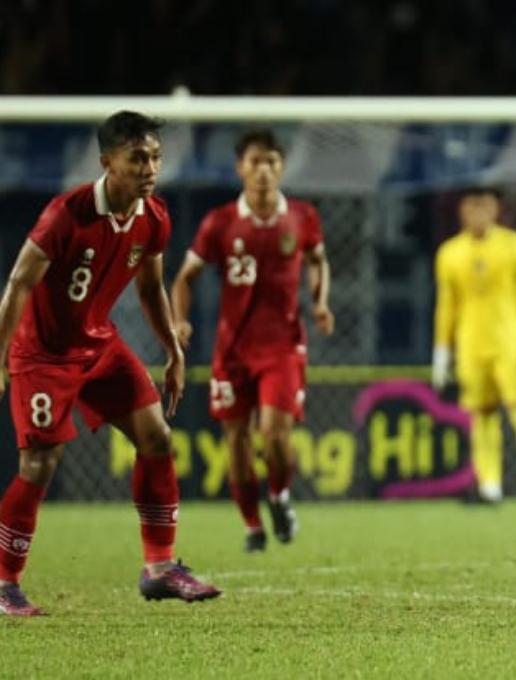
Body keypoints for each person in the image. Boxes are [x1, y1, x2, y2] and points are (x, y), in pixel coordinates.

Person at [0, 111, 221, 615]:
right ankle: (4, 584)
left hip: (100, 347)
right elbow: (17, 284)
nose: (150, 168)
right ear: (107, 162)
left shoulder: (154, 216)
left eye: (156, 158)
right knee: (39, 464)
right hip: (43, 355)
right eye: (138, 158)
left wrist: (172, 349)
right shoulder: (66, 214)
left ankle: (160, 569)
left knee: (157, 437)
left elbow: (149, 287)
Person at [171, 129, 333, 552]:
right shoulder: (220, 222)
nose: (263, 170)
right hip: (233, 349)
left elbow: (318, 261)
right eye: (255, 162)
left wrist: (320, 303)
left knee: (274, 434)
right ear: (240, 167)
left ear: (282, 168)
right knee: (237, 440)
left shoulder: (301, 216)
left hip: (282, 345)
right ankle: (252, 526)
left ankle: (279, 495)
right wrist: (179, 320)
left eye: (272, 162)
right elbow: (185, 277)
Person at [432, 187, 516, 504]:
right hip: (471, 347)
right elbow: (446, 307)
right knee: (482, 417)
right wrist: (442, 354)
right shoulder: (449, 253)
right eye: (472, 206)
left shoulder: (514, 245)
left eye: (485, 205)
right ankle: (489, 486)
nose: (478, 213)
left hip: (511, 345)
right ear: (462, 211)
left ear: (495, 209)